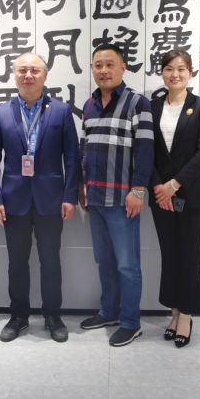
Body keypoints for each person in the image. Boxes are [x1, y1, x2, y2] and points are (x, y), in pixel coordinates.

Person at [0, 53, 79, 343]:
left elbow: (72, 158)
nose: (28, 75)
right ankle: (18, 316)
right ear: (14, 75)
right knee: (17, 262)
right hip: (14, 201)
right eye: (22, 70)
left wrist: (70, 196)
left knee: (51, 261)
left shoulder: (61, 111)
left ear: (45, 76)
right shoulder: (1, 112)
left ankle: (52, 315)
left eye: (34, 70)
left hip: (51, 200)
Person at [79, 43, 153, 347]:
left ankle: (130, 322)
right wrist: (83, 185)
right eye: (98, 65)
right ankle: (108, 311)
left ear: (123, 67)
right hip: (95, 198)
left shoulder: (138, 103)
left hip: (123, 199)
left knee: (127, 265)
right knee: (104, 261)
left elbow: (145, 150)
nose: (103, 70)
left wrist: (138, 189)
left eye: (110, 64)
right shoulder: (89, 105)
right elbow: (84, 148)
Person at [149, 50, 200, 348]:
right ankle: (174, 311)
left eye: (181, 69)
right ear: (162, 72)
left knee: (189, 255)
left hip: (192, 197)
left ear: (190, 73)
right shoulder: (152, 107)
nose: (174, 74)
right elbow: (147, 151)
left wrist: (173, 185)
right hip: (160, 197)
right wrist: (158, 187)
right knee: (170, 255)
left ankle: (186, 315)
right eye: (169, 69)